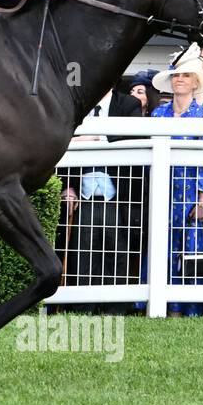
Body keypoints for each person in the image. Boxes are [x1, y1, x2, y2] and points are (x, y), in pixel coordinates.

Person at [58, 86, 145, 313]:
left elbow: (134, 137)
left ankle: (114, 309)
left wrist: (98, 135)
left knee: (117, 252)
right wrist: (68, 187)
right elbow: (62, 144)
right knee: (83, 252)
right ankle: (83, 307)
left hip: (117, 197)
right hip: (84, 198)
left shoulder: (128, 105)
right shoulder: (77, 104)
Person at [149, 45, 203, 317]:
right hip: (163, 190)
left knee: (193, 247)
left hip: (192, 191)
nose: (179, 80)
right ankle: (164, 307)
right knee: (164, 245)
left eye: (186, 76)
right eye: (176, 76)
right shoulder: (158, 114)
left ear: (195, 83)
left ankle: (191, 309)